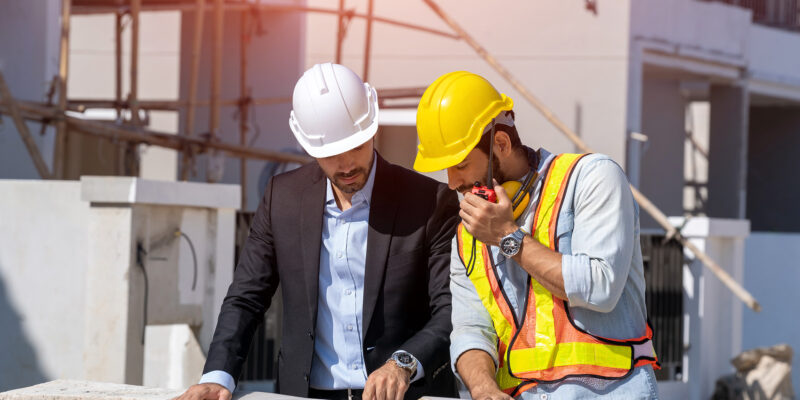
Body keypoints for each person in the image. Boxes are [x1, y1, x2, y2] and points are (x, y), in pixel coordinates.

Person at [177, 63, 459, 400]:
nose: (347, 165)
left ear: (371, 129)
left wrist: (403, 363)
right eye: (330, 155)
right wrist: (218, 375)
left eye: (356, 146)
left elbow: (452, 307)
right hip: (306, 394)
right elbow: (246, 296)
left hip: (407, 394)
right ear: (309, 147)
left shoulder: (430, 201)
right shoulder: (281, 198)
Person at [413, 71, 660, 399]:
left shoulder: (592, 179)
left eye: (460, 164)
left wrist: (506, 237)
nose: (452, 181)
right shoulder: (468, 236)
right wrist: (484, 388)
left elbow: (600, 287)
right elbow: (471, 330)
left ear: (500, 144)